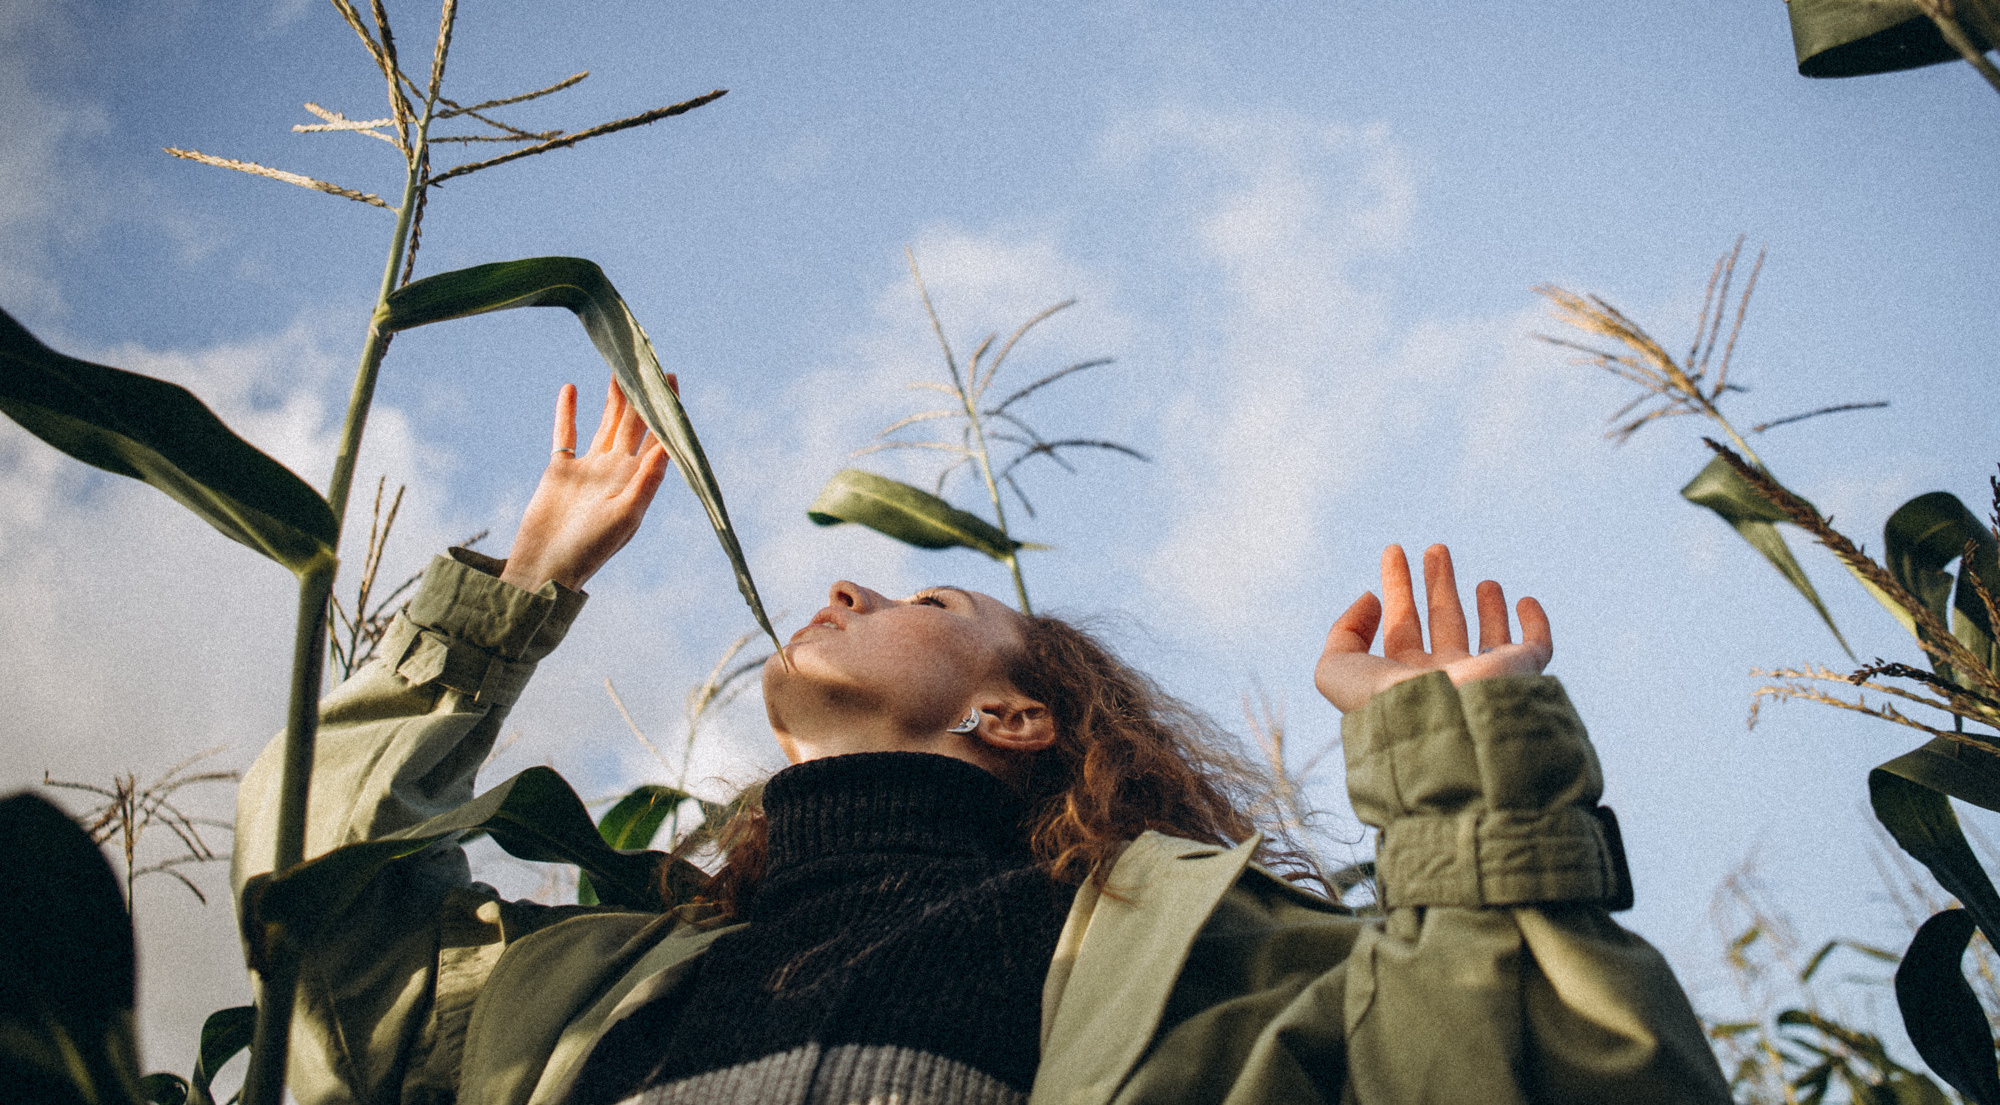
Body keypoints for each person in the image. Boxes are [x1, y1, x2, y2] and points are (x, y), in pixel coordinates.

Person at [234, 378, 1731, 1105]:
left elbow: (1551, 1081)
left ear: (1013, 717)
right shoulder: (589, 986)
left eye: (924, 591)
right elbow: (310, 931)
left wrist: (1459, 758)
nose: (843, 581)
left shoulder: (1217, 966)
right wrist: (514, 596)